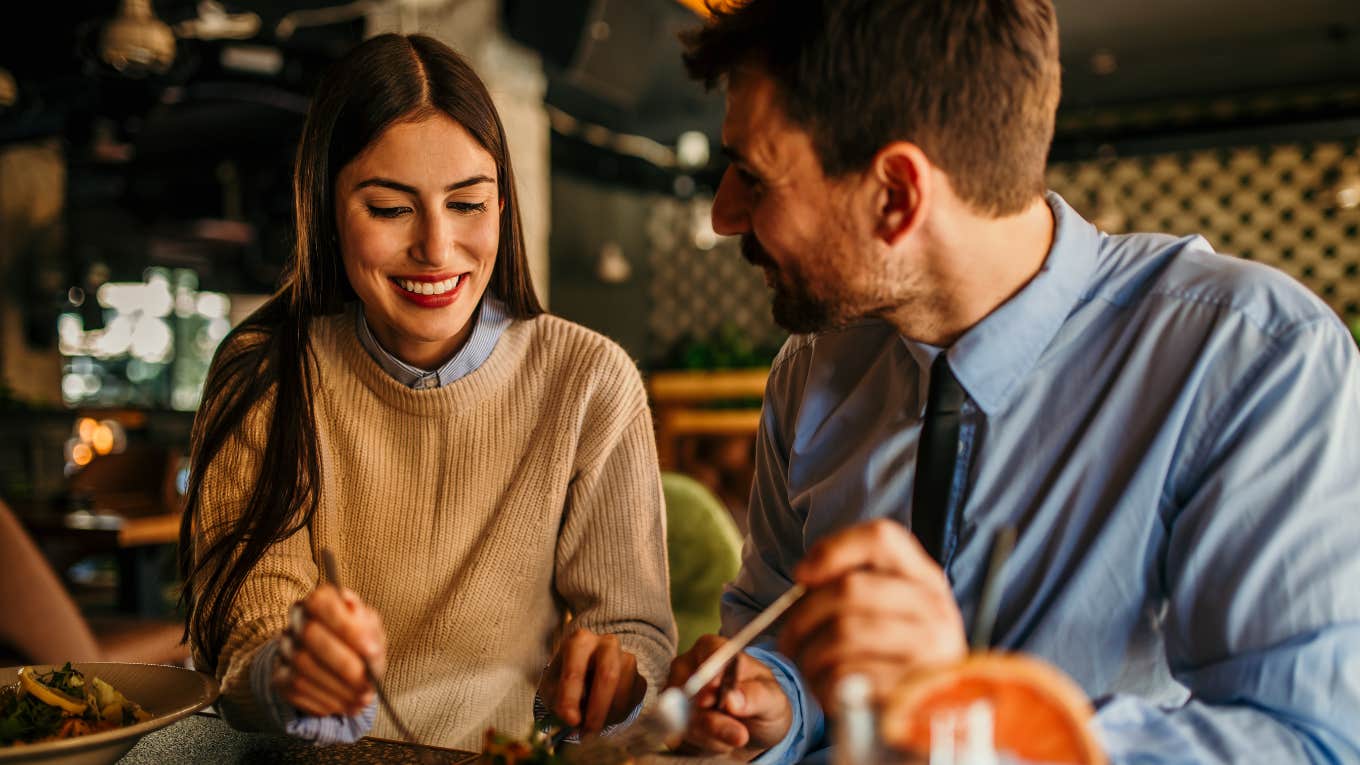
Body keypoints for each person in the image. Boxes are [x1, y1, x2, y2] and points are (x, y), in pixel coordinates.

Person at [666, 1, 1360, 763]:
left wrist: (977, 716)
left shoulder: (1249, 360)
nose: (726, 215)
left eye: (754, 179)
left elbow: (1313, 741)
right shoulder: (811, 369)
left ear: (897, 195)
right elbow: (774, 624)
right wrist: (778, 702)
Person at [178, 33, 676, 751]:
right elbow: (241, 644)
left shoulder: (588, 381)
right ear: (324, 207)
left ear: (503, 205)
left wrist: (615, 676)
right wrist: (286, 672)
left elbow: (637, 633)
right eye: (390, 209)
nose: (437, 248)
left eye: (468, 204)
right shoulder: (267, 375)